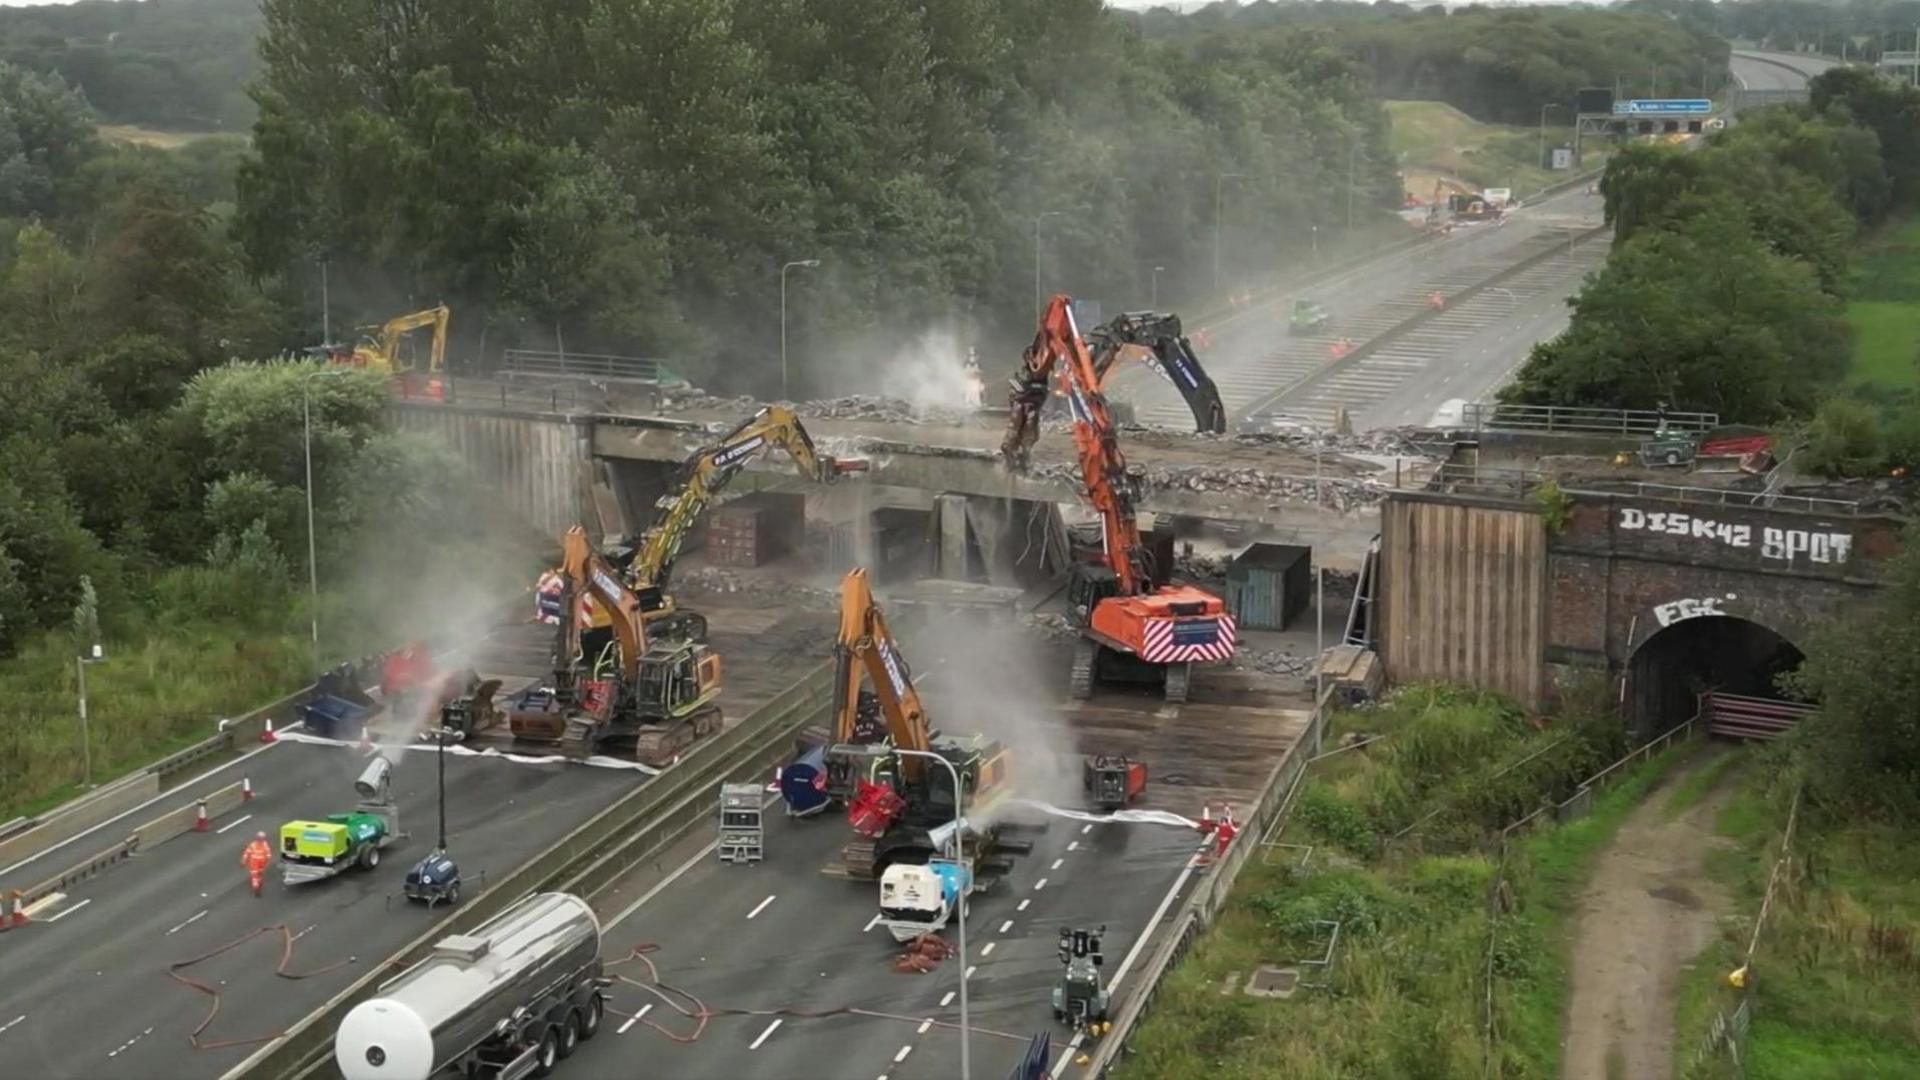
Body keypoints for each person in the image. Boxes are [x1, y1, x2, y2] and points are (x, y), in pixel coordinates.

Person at [242, 831, 274, 897]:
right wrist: (266, 862)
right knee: (259, 874)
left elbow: (247, 853)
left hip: (254, 862)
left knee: (255, 876)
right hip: (261, 862)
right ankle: (258, 886)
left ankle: (256, 887)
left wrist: (244, 861)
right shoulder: (265, 845)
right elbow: (268, 855)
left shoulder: (253, 845)